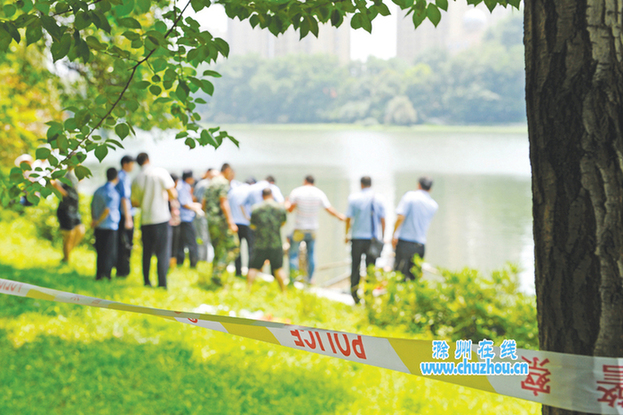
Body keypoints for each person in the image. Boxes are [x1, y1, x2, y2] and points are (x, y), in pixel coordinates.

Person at [286, 175, 346, 282]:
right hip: (312, 229)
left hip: (299, 228)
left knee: (294, 255)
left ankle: (293, 280)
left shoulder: (297, 192)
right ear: (314, 183)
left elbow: (290, 209)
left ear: (304, 181)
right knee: (311, 254)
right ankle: (310, 280)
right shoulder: (319, 193)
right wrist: (339, 216)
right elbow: (328, 208)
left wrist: (287, 203)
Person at [131, 153, 177, 288]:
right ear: (148, 159)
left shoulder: (136, 178)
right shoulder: (160, 172)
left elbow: (134, 203)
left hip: (146, 219)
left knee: (147, 252)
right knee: (162, 252)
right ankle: (162, 283)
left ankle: (147, 281)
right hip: (161, 218)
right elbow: (173, 194)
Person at [345, 176, 386, 304]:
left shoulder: (354, 198)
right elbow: (383, 220)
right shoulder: (379, 199)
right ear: (371, 184)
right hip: (372, 240)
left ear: (361, 184)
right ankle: (368, 294)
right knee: (371, 268)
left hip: (357, 238)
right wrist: (382, 237)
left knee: (355, 266)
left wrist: (346, 234)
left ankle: (354, 294)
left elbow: (348, 218)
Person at [392, 176, 438, 281]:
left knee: (400, 276)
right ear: (430, 189)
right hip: (420, 245)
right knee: (415, 277)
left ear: (418, 185)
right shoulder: (433, 205)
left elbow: (400, 217)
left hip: (405, 243)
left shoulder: (410, 197)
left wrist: (394, 234)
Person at [204, 163, 239, 285]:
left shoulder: (211, 182)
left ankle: (214, 279)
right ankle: (217, 273)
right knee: (234, 247)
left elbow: (204, 202)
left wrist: (209, 217)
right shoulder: (223, 182)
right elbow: (224, 202)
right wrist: (231, 222)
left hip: (211, 221)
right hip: (220, 221)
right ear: (227, 170)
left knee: (217, 250)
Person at [247, 188, 288, 291]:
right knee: (278, 268)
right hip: (276, 243)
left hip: (260, 243)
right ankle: (284, 291)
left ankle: (248, 289)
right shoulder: (280, 208)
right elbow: (283, 223)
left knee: (254, 268)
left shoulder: (256, 209)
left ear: (262, 196)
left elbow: (252, 226)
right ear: (272, 195)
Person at [91, 168, 121, 280]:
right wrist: (99, 220)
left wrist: (94, 220)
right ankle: (107, 275)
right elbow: (107, 210)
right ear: (116, 178)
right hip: (110, 226)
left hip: (99, 226)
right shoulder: (113, 192)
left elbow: (92, 206)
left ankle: (99, 274)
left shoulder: (98, 190)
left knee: (100, 251)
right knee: (109, 252)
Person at [53, 168, 85, 263]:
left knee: (80, 231)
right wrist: (65, 194)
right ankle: (66, 259)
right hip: (65, 208)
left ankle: (67, 253)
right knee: (69, 236)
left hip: (75, 208)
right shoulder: (64, 174)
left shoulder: (74, 174)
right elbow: (54, 183)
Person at [228, 178, 255, 277]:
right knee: (251, 249)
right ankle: (250, 271)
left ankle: (238, 272)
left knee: (237, 249)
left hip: (235, 223)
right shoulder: (251, 191)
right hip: (248, 224)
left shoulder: (233, 191)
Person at [176, 170, 202, 268]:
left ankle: (180, 261)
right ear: (188, 178)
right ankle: (193, 263)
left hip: (185, 218)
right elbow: (184, 203)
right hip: (185, 218)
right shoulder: (181, 188)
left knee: (182, 242)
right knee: (191, 241)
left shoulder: (185, 186)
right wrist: (195, 207)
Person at [115, 155, 135, 277]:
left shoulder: (119, 176)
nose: (133, 167)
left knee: (120, 242)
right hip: (125, 214)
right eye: (132, 164)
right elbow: (124, 198)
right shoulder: (123, 177)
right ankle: (123, 270)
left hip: (120, 214)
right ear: (126, 164)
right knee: (125, 243)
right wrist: (128, 218)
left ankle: (120, 269)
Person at [193, 168, 217, 262]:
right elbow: (197, 199)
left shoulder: (212, 184)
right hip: (202, 215)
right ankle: (202, 258)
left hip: (210, 216)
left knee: (208, 238)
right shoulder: (203, 185)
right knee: (203, 237)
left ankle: (207, 258)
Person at [169, 173, 182, 268]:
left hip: (175, 222)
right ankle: (171, 265)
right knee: (173, 245)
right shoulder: (170, 194)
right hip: (171, 222)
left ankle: (172, 264)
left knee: (174, 245)